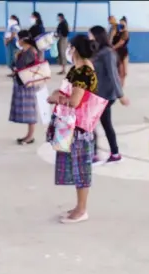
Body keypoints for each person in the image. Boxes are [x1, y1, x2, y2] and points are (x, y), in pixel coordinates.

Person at [47, 35, 99, 224]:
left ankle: (82, 209)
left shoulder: (84, 71)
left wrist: (57, 99)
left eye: (69, 47)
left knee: (81, 167)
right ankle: (78, 205)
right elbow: (64, 91)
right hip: (71, 124)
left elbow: (75, 101)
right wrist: (57, 94)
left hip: (79, 126)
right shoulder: (76, 69)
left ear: (74, 49)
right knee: (75, 166)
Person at [89, 25, 130, 164]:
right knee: (105, 124)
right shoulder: (97, 51)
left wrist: (121, 95)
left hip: (105, 95)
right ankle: (114, 153)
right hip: (98, 93)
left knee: (91, 123)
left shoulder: (107, 53)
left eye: (90, 35)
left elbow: (113, 75)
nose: (89, 37)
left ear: (97, 36)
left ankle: (95, 153)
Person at [8, 30, 41, 145]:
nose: (17, 41)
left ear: (23, 40)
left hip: (28, 84)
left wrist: (17, 58)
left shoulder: (30, 52)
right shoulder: (25, 51)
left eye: (18, 38)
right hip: (23, 83)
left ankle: (30, 136)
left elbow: (20, 66)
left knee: (30, 110)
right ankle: (28, 135)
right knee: (27, 111)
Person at [111, 16, 130, 87]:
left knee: (125, 73)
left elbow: (122, 42)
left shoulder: (126, 32)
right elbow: (110, 41)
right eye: (120, 24)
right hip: (117, 53)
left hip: (124, 52)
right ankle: (118, 88)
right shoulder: (115, 32)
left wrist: (113, 47)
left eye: (123, 24)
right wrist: (113, 33)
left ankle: (121, 87)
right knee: (120, 72)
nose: (121, 26)